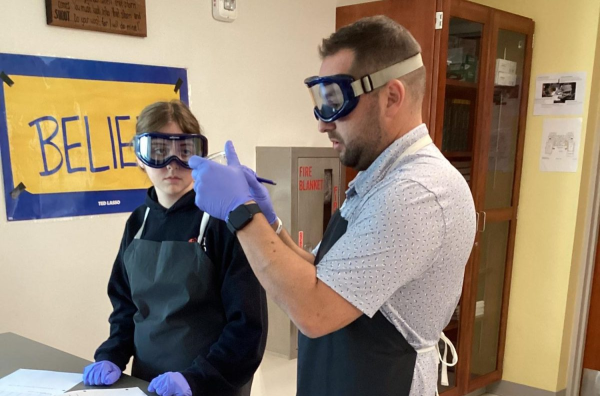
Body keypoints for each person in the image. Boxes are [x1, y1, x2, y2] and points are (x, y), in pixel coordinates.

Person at [190, 16, 476, 396]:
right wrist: (271, 225)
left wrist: (242, 213)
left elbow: (315, 309)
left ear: (392, 97)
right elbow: (329, 277)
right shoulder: (382, 178)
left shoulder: (415, 193)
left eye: (336, 102)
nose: (323, 125)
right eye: (320, 103)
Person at [82, 100, 268, 396]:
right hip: (148, 384)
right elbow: (126, 307)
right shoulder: (138, 223)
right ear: (139, 157)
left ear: (199, 156)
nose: (171, 165)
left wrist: (197, 379)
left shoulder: (221, 222)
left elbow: (247, 326)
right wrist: (112, 354)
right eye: (158, 152)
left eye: (184, 152)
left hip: (211, 384)